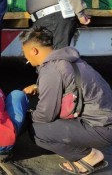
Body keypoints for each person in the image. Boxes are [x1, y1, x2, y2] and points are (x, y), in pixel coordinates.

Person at [20, 27, 111, 174]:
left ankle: (89, 156)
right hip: (104, 119)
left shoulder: (51, 70)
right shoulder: (68, 60)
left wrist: (27, 116)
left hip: (102, 128)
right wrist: (39, 86)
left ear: (33, 50)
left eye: (25, 54)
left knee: (36, 130)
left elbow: (45, 115)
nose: (27, 60)